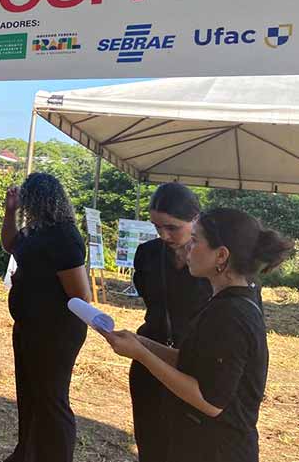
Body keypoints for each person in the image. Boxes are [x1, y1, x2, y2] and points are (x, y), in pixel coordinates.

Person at [102, 208, 292, 462]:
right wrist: (142, 344)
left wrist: (142, 356)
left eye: (195, 241)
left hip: (217, 449)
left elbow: (209, 400)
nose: (186, 249)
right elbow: (194, 362)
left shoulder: (231, 314)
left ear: (221, 255)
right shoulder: (225, 302)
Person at [0, 172, 92, 462]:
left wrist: (35, 284)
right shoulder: (34, 231)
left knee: (52, 400)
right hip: (30, 328)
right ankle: (27, 452)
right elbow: (10, 243)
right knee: (29, 395)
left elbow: (80, 296)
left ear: (40, 201)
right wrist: (9, 211)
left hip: (56, 334)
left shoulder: (65, 236)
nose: (25, 206)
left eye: (26, 201)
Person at [129, 183, 212, 462]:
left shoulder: (215, 261)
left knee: (188, 446)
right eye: (156, 227)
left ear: (196, 220)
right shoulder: (147, 254)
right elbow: (147, 296)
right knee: (150, 442)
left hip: (195, 366)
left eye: (172, 227)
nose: (163, 235)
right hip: (150, 355)